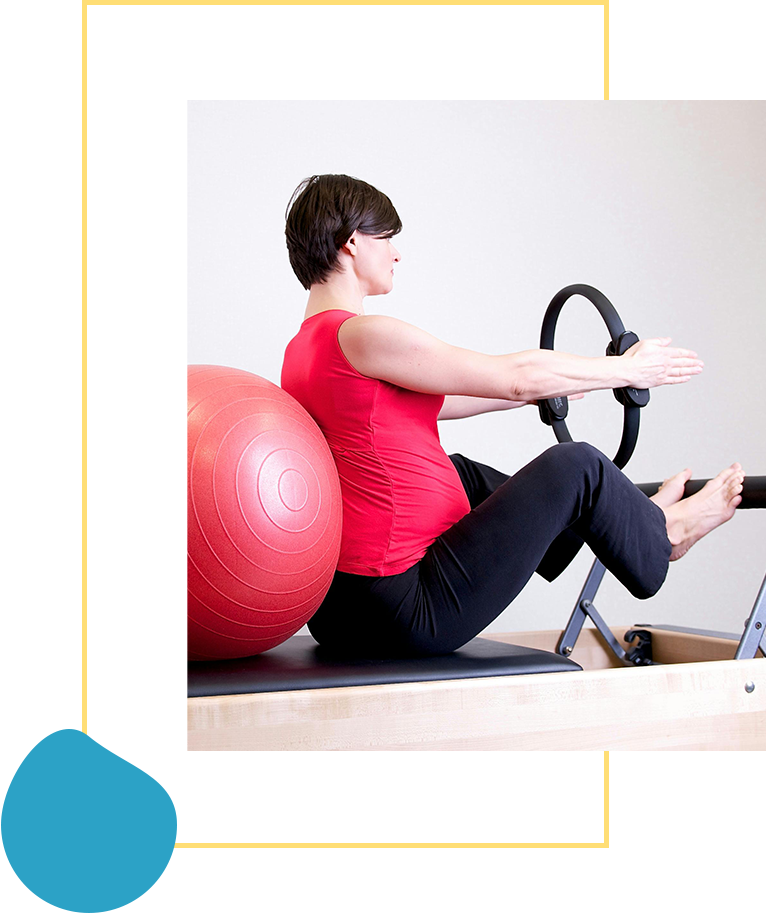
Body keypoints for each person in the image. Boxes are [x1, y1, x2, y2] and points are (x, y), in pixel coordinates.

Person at [281, 174, 744, 658]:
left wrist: (543, 392)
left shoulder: (305, 348)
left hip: (343, 609)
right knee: (577, 465)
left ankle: (639, 521)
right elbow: (515, 374)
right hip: (404, 608)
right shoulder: (363, 335)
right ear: (352, 242)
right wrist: (625, 369)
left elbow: (449, 398)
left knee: (460, 472)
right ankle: (663, 536)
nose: (397, 253)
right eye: (387, 238)